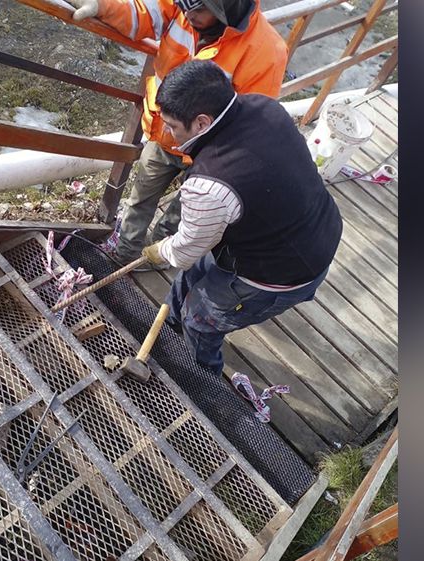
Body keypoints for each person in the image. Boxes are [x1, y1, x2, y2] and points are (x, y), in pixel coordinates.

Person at [140, 60, 343, 377]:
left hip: (281, 271)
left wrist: (160, 250)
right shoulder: (265, 107)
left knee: (200, 320)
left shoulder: (209, 185)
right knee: (192, 277)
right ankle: (170, 323)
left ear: (202, 122)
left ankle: (202, 377)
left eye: (172, 126)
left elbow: (184, 252)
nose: (167, 132)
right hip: (312, 224)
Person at [64, 0, 288, 264]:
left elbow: (249, 120)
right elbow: (144, 13)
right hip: (163, 136)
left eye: (200, 10)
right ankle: (124, 254)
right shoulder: (184, 7)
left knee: (183, 212)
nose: (188, 14)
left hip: (207, 155)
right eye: (185, 4)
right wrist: (102, 6)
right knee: (140, 198)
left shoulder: (267, 52)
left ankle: (153, 258)